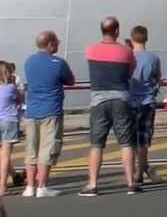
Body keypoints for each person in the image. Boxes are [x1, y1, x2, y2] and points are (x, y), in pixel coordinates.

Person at [83, 16, 138, 196]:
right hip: (121, 98)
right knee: (126, 142)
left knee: (97, 144)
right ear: (117, 31)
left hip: (98, 100)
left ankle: (92, 185)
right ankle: (131, 182)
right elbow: (130, 72)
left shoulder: (90, 49)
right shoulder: (126, 52)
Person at [22, 30, 72, 198]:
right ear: (50, 44)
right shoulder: (58, 63)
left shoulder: (29, 61)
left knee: (31, 149)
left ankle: (29, 186)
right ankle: (42, 186)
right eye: (56, 42)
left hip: (31, 111)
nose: (58, 44)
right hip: (51, 110)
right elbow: (70, 80)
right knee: (47, 149)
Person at [128, 25, 162, 184]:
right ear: (146, 38)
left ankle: (136, 171)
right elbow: (157, 78)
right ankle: (141, 172)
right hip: (147, 101)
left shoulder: (127, 56)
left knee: (130, 139)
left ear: (132, 38)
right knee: (144, 139)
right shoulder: (153, 58)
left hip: (129, 101)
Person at [0, 63, 19, 196]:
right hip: (9, 121)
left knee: (1, 155)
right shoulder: (11, 88)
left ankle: (14, 175)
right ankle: (2, 186)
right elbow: (20, 100)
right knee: (5, 155)